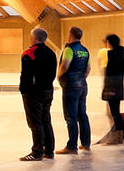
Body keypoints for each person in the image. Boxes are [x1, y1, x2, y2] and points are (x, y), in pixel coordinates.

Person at [19, 27, 57, 161]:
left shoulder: (28, 53)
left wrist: (23, 90)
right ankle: (49, 150)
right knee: (46, 120)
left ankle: (37, 152)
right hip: (48, 91)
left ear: (34, 38)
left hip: (33, 93)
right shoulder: (52, 53)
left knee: (35, 123)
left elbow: (26, 75)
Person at [58, 25, 93, 155]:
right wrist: (81, 80)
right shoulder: (85, 50)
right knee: (82, 115)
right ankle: (86, 144)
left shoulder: (69, 49)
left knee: (71, 117)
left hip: (71, 86)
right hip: (83, 85)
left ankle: (72, 146)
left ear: (70, 35)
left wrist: (58, 76)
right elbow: (88, 69)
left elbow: (65, 65)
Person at [97, 33, 124, 145]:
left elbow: (109, 74)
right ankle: (119, 137)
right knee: (116, 112)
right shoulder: (122, 52)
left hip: (112, 86)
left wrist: (105, 89)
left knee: (113, 112)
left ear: (109, 43)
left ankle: (115, 138)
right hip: (118, 85)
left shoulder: (113, 55)